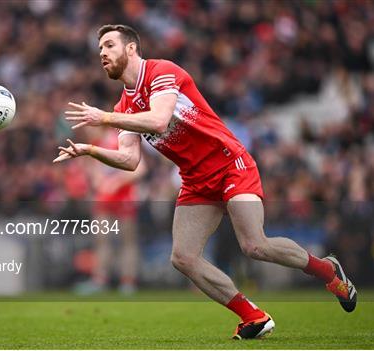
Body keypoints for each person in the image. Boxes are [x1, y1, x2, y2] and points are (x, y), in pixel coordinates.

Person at [54, 24, 357, 339]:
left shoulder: (161, 71)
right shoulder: (123, 107)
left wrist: (103, 118)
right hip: (196, 181)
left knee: (254, 245)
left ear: (131, 49)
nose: (102, 53)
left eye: (109, 45)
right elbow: (129, 160)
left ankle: (327, 271)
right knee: (182, 257)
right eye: (100, 48)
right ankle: (254, 317)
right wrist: (90, 150)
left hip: (230, 164)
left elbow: (158, 119)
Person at [75, 127, 145, 295]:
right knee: (101, 241)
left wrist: (117, 182)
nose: (88, 133)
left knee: (127, 242)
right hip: (104, 199)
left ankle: (128, 281)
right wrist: (98, 182)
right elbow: (94, 170)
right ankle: (100, 280)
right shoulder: (95, 144)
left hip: (125, 199)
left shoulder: (121, 140)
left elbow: (140, 169)